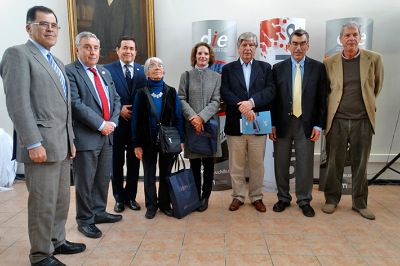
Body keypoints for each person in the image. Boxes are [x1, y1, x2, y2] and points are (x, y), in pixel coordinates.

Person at [0, 6, 85, 265]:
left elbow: (65, 109)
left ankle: (57, 241)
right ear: (29, 28)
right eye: (43, 24)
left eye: (54, 25)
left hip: (61, 146)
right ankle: (40, 254)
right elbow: (18, 104)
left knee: (60, 200)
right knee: (42, 203)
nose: (50, 29)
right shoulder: (18, 55)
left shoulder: (57, 62)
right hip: (40, 147)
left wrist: (71, 140)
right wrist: (33, 141)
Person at [322, 22, 384, 220]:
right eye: (347, 35)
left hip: (363, 120)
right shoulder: (329, 62)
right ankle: (331, 199)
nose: (351, 38)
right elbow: (327, 91)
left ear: (360, 37)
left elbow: (376, 86)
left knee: (360, 164)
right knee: (334, 163)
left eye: (355, 34)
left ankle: (360, 203)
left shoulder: (374, 59)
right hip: (337, 120)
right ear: (340, 39)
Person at [66, 31, 122, 238]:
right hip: (87, 137)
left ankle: (99, 212)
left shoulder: (104, 72)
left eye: (96, 47)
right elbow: (75, 103)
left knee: (102, 178)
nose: (92, 51)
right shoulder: (70, 72)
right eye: (87, 47)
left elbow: (116, 98)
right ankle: (85, 220)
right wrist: (100, 124)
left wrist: (113, 123)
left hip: (107, 135)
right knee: (85, 181)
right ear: (77, 49)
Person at [269, 29, 327, 217]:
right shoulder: (277, 68)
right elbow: (273, 99)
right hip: (282, 123)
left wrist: (319, 125)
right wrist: (272, 124)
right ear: (288, 46)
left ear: (308, 46)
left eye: (302, 43)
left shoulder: (318, 68)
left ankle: (304, 200)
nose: (298, 47)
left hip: (307, 124)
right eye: (294, 43)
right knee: (281, 163)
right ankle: (283, 198)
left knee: (305, 164)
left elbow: (322, 99)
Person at [220, 32, 275, 212]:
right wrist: (241, 106)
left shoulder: (265, 68)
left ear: (256, 48)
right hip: (235, 125)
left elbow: (270, 91)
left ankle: (257, 197)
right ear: (238, 47)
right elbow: (225, 92)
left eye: (251, 45)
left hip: (258, 124)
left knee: (257, 164)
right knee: (236, 165)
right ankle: (238, 196)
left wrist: (251, 103)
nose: (248, 48)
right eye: (244, 45)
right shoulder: (228, 69)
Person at [132, 57, 184, 219]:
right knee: (149, 174)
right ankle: (151, 205)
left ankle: (164, 203)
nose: (157, 68)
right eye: (152, 65)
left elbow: (178, 117)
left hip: (168, 140)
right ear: (147, 72)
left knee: (166, 173)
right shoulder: (141, 93)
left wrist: (181, 139)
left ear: (164, 71)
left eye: (160, 65)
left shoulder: (171, 91)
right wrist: (136, 144)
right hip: (147, 141)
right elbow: (135, 120)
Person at [104, 36, 146, 213]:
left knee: (134, 163)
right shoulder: (106, 70)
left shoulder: (142, 70)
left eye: (131, 48)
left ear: (135, 52)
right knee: (117, 163)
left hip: (136, 127)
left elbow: (146, 96)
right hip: (117, 125)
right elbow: (104, 96)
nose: (128, 51)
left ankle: (131, 197)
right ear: (118, 50)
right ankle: (119, 199)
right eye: (125, 48)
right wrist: (119, 108)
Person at [178, 42, 222, 212]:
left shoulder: (217, 77)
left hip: (209, 127)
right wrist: (193, 117)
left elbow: (216, 101)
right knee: (195, 163)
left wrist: (201, 117)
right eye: (199, 54)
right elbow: (181, 99)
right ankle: (195, 195)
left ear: (210, 56)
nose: (202, 56)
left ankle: (205, 197)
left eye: (205, 54)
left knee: (209, 164)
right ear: (194, 56)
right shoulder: (186, 76)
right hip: (191, 126)